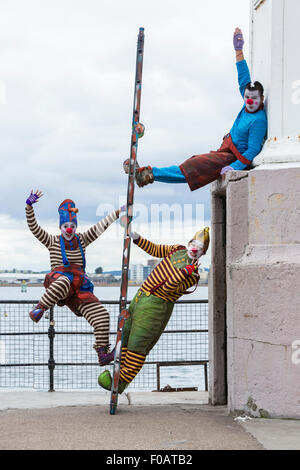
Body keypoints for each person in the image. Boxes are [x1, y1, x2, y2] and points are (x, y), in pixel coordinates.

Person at [123, 27, 267, 191]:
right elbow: (243, 80)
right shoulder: (248, 103)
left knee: (193, 167)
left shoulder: (259, 120)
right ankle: (147, 175)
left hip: (231, 158)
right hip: (225, 152)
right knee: (192, 164)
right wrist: (238, 51)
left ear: (261, 99)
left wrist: (234, 167)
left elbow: (253, 150)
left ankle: (148, 175)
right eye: (247, 96)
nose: (249, 100)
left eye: (254, 98)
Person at [98, 227, 210, 394]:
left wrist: (185, 273)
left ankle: (121, 381)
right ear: (189, 242)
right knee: (125, 333)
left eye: (200, 248)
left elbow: (168, 287)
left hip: (156, 307)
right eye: (194, 244)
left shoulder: (193, 276)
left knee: (138, 344)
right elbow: (156, 249)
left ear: (203, 253)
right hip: (141, 297)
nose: (195, 249)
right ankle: (114, 359)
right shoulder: (177, 250)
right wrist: (136, 238)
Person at [25, 189, 124, 367]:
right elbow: (34, 228)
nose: (69, 229)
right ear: (60, 227)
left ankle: (103, 353)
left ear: (76, 227)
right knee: (64, 281)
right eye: (65, 226)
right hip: (58, 282)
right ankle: (39, 309)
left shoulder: (83, 239)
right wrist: (29, 206)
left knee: (102, 315)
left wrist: (118, 212)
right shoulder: (52, 241)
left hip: (79, 287)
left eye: (72, 226)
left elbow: (101, 226)